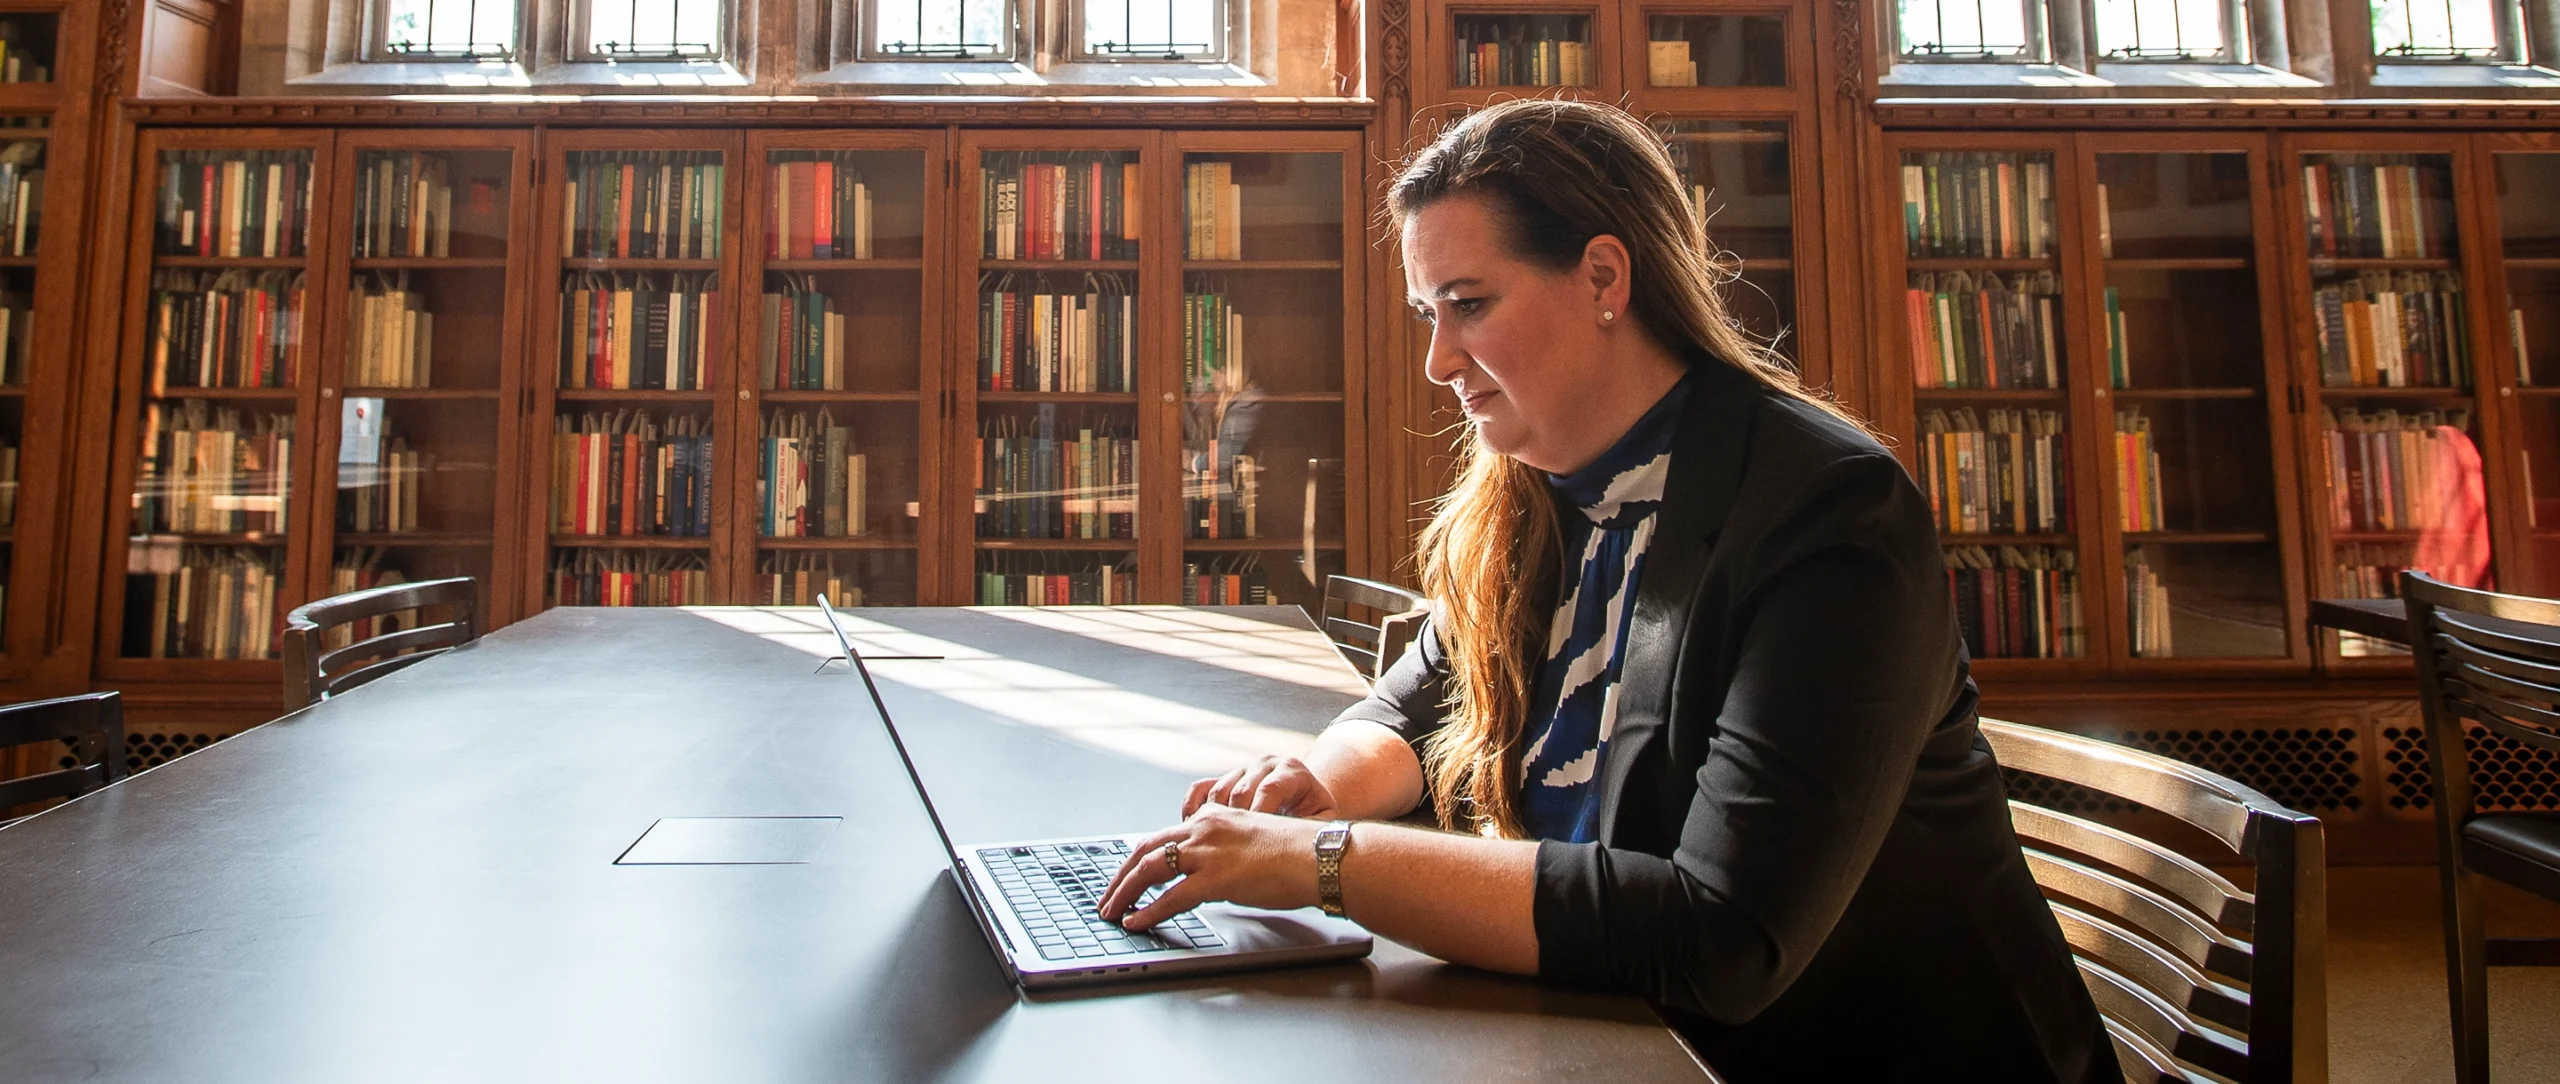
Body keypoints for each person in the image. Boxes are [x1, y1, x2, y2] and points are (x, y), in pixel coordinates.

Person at [1095, 98, 2115, 1083]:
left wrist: (1321, 860)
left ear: (1602, 277)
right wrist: (1314, 784)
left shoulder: (1827, 512)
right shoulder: (1541, 485)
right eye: (1425, 310)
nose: (1437, 359)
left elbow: (1721, 935)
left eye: (1468, 304)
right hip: (1623, 1037)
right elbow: (1419, 699)